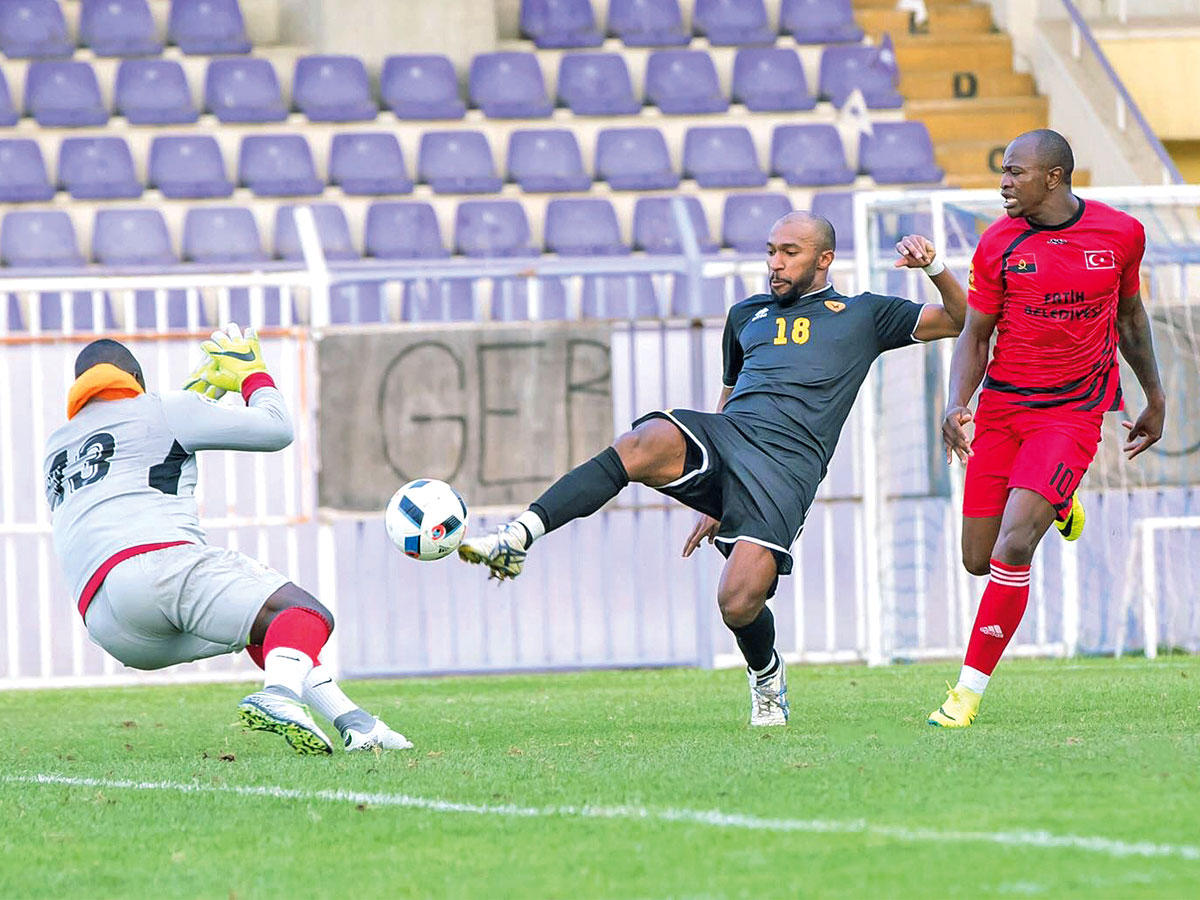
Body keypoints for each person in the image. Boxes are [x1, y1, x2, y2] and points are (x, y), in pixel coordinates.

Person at [458, 211, 967, 725]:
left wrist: (935, 267)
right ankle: (518, 534)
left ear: (824, 259)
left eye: (789, 252)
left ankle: (766, 676)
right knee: (643, 442)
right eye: (771, 251)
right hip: (731, 436)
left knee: (737, 602)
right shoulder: (746, 314)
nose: (775, 263)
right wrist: (714, 491)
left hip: (787, 470)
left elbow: (960, 319)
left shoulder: (864, 314)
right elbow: (729, 397)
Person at [44, 325, 412, 755]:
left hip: (107, 623)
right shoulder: (164, 409)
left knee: (270, 633)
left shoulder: (57, 446)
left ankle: (356, 724)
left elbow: (147, 442)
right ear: (138, 382)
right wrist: (252, 374)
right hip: (156, 570)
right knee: (303, 613)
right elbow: (276, 429)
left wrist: (202, 390)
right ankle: (279, 696)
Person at [929, 129, 1166, 728]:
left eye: (1015, 172)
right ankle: (1060, 501)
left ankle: (965, 694)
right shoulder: (998, 243)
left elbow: (1131, 317)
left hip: (1073, 412)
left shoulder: (1120, 235)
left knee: (1013, 546)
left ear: (1054, 177)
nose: (1003, 183)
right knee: (977, 560)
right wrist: (957, 403)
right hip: (1005, 412)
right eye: (1002, 172)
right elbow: (976, 334)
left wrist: (1155, 396)